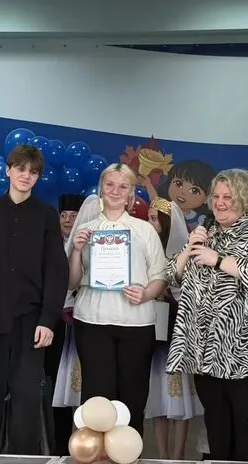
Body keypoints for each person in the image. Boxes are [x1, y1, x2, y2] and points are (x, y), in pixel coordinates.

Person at [166, 168, 248, 461]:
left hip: (246, 350)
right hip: (205, 351)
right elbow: (172, 276)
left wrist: (218, 260)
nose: (219, 203)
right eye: (216, 196)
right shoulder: (207, 232)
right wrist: (190, 248)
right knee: (217, 427)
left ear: (245, 199)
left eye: (228, 197)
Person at [0, 144, 68, 455]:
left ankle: (24, 459)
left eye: (33, 172)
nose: (26, 176)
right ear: (8, 170)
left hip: (31, 325)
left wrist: (48, 320)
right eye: (20, 169)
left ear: (38, 177)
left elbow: (56, 273)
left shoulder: (46, 216)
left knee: (27, 403)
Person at [68, 164, 167, 436]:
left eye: (123, 186)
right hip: (92, 320)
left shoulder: (144, 230)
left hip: (136, 322)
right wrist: (76, 251)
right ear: (101, 188)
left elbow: (160, 275)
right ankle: (96, 450)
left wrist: (146, 294)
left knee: (133, 396)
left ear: (131, 193)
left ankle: (128, 450)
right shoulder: (85, 230)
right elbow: (72, 282)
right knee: (96, 397)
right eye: (109, 184)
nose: (115, 191)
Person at [144, 197, 200, 459]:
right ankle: (163, 455)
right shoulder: (146, 248)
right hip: (153, 328)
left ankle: (178, 456)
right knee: (157, 396)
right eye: (148, 218)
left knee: (180, 395)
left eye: (155, 218)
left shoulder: (183, 254)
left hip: (177, 330)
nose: (150, 223)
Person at [44, 193, 84, 455]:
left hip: (84, 322)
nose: (68, 220)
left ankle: (85, 440)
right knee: (57, 380)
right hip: (55, 323)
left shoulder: (88, 246)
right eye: (64, 215)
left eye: (73, 216)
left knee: (85, 382)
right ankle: (59, 443)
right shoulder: (47, 247)